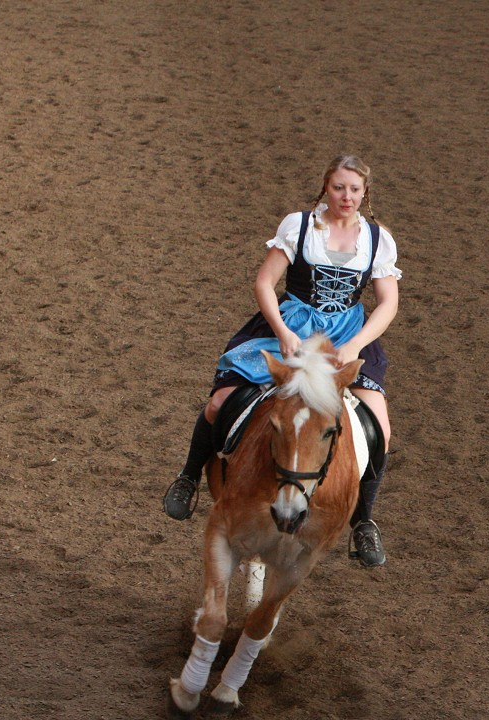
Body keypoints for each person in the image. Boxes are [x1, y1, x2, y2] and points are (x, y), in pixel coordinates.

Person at [162, 154, 400, 567]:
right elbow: (264, 282)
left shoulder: (378, 240)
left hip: (347, 337)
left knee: (379, 425)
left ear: (365, 193)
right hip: (290, 326)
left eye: (355, 190)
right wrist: (283, 332)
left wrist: (357, 344)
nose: (347, 196)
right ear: (326, 186)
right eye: (339, 187)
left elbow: (387, 303)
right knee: (219, 403)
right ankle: (187, 478)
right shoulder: (300, 226)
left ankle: (364, 522)